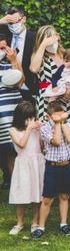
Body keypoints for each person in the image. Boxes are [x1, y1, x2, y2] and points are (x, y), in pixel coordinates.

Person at [31, 101, 70, 239]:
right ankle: (41, 226)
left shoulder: (68, 125)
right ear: (49, 116)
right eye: (56, 116)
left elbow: (69, 139)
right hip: (52, 166)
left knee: (64, 195)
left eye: (62, 114)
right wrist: (57, 124)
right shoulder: (44, 129)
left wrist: (62, 124)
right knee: (48, 199)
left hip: (67, 165)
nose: (60, 117)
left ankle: (63, 223)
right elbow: (56, 141)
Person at [8, 101, 44, 235]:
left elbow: (42, 147)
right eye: (27, 118)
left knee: (37, 193)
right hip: (23, 163)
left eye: (32, 118)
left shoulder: (35, 130)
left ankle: (35, 222)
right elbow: (21, 144)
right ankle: (20, 222)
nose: (30, 121)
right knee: (21, 193)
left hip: (37, 162)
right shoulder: (13, 130)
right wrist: (29, 129)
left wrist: (40, 131)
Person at [29, 25, 70, 121]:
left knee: (67, 129)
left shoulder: (64, 53)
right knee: (47, 130)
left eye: (54, 37)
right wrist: (43, 45)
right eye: (48, 39)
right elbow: (33, 69)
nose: (52, 41)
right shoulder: (39, 55)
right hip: (47, 98)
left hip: (65, 96)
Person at [0, 36, 25, 186]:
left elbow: (21, 82)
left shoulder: (9, 64)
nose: (2, 51)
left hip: (11, 113)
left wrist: (14, 61)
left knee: (12, 150)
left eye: (4, 48)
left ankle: (18, 186)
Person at [0, 6, 37, 100]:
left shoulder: (35, 38)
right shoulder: (4, 36)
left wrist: (41, 87)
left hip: (30, 88)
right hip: (6, 88)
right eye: (10, 23)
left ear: (23, 19)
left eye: (16, 21)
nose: (13, 25)